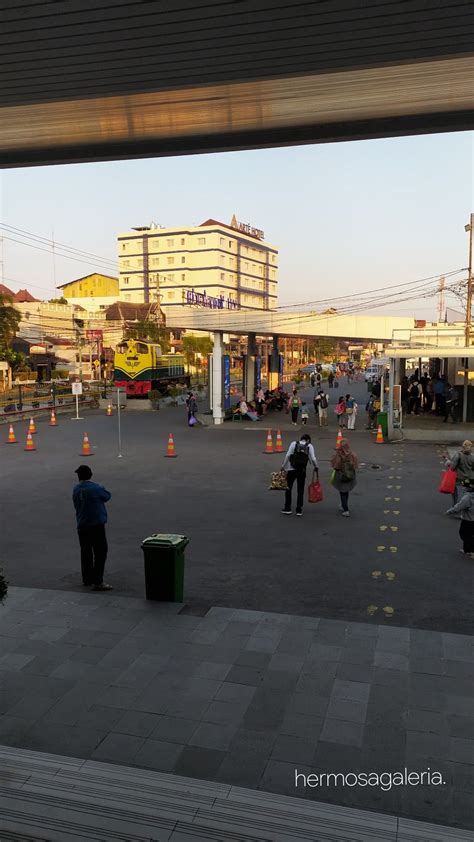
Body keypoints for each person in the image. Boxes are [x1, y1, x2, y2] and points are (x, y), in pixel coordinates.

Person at [73, 465, 112, 591]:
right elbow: (107, 496)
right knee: (100, 553)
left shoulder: (76, 489)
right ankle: (98, 581)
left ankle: (87, 579)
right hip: (96, 525)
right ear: (91, 475)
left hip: (82, 525)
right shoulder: (95, 488)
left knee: (86, 552)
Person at [281, 433, 319, 517]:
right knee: (300, 490)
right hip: (302, 470)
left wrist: (283, 466)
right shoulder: (310, 446)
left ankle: (287, 508)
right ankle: (299, 510)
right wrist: (316, 467)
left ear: (301, 438)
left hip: (291, 469)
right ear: (308, 440)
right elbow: (313, 458)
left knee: (288, 488)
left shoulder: (293, 443)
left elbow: (287, 455)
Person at [445, 478, 474, 558]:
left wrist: (450, 511)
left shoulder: (467, 497)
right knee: (470, 534)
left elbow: (458, 507)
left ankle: (472, 550)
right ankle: (467, 550)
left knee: (464, 534)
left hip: (468, 519)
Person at [330, 439, 358, 517]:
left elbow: (336, 465)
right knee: (346, 492)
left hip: (341, 476)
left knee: (342, 492)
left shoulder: (339, 454)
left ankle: (346, 509)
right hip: (350, 476)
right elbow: (355, 464)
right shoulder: (352, 454)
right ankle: (343, 505)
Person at [446, 440, 474, 504]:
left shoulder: (458, 455)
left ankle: (455, 503)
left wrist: (448, 462)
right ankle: (464, 505)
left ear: (462, 446)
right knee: (466, 492)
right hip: (469, 478)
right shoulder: (473, 457)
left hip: (458, 477)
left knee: (454, 489)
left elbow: (452, 467)